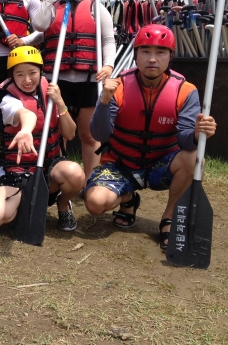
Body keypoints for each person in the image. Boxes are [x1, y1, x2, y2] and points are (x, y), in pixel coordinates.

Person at [83, 25, 217, 249]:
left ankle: (169, 218)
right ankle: (128, 198)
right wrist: (104, 101)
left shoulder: (185, 90)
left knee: (194, 158)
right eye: (145, 52)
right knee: (95, 203)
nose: (152, 59)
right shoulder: (118, 86)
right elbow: (99, 134)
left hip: (160, 167)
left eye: (160, 52)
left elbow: (185, 142)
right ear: (136, 55)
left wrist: (197, 132)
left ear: (170, 56)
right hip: (121, 165)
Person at [0, 46, 86, 232]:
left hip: (48, 168)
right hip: (17, 172)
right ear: (12, 76)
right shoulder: (7, 98)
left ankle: (63, 204)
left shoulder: (51, 93)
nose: (27, 80)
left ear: (40, 71)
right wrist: (26, 130)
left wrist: (60, 102)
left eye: (32, 73)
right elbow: (26, 114)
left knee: (75, 173)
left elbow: (70, 134)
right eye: (20, 74)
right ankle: (24, 201)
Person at [40, 0, 116, 178]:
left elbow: (108, 40)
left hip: (88, 81)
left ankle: (91, 181)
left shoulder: (96, 8)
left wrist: (108, 65)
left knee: (89, 134)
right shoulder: (53, 8)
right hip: (58, 81)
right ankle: (58, 179)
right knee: (59, 134)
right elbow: (39, 27)